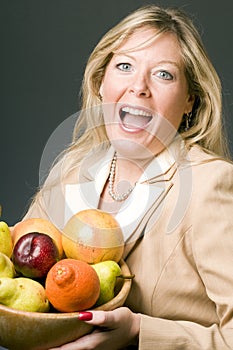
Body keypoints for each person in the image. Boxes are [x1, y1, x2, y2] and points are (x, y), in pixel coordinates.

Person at [20, 4, 233, 349]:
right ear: (102, 83)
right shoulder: (72, 170)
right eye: (124, 66)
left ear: (191, 100)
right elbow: (18, 278)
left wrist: (138, 332)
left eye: (164, 74)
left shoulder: (211, 185)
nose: (139, 87)